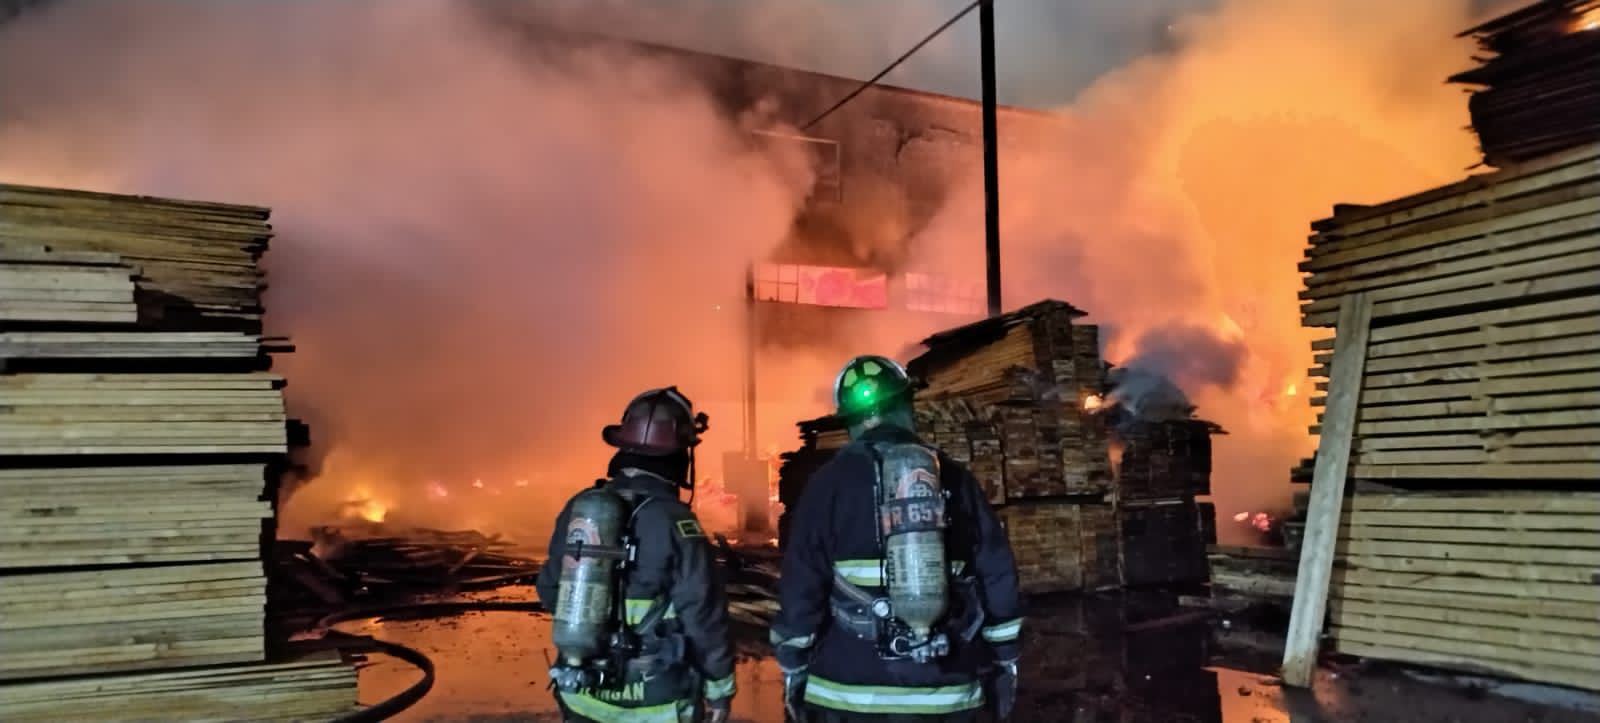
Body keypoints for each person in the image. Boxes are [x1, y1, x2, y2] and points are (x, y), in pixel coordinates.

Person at [771, 355, 1023, 723]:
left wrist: (793, 663)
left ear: (851, 423)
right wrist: (1006, 657)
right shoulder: (956, 479)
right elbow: (997, 574)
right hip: (944, 693)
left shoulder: (827, 484)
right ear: (907, 406)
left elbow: (801, 584)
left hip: (848, 695)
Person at [537, 387, 736, 723]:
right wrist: (720, 688)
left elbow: (548, 589)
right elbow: (703, 615)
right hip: (655, 703)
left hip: (583, 696)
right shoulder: (677, 522)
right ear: (680, 455)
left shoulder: (580, 509)